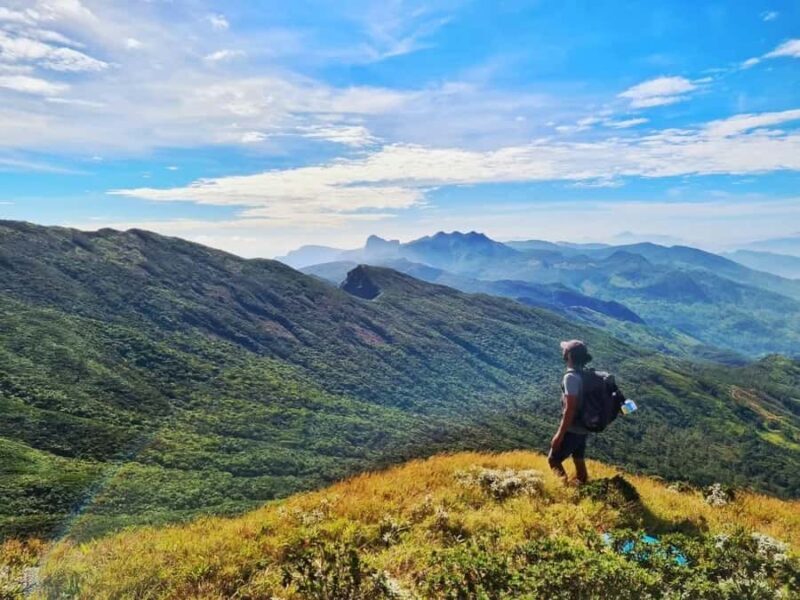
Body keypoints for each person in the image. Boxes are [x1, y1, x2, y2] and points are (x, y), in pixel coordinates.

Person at [548, 339, 593, 484]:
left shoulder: (570, 377)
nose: (563, 352)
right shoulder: (585, 374)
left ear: (569, 355)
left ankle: (564, 490)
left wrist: (559, 435)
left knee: (553, 459)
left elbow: (570, 408)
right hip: (584, 426)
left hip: (573, 428)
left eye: (565, 350)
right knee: (578, 457)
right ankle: (584, 485)